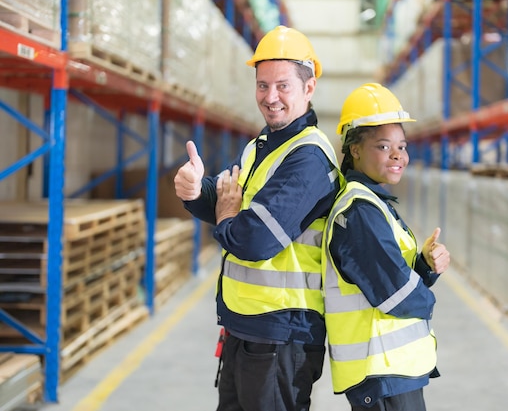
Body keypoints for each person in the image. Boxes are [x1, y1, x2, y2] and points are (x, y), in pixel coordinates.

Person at [173, 26, 343, 411]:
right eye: (262, 86)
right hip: (246, 326)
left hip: (282, 334)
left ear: (309, 87)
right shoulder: (260, 146)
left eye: (283, 86)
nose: (270, 97)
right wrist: (197, 189)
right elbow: (225, 194)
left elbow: (254, 240)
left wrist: (227, 213)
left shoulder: (309, 159)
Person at [321, 83, 450, 411]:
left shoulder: (373, 203)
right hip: (381, 376)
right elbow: (399, 295)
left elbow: (390, 275)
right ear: (355, 150)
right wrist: (426, 298)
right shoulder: (359, 211)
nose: (398, 156)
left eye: (402, 147)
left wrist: (423, 265)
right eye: (383, 146)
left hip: (389, 373)